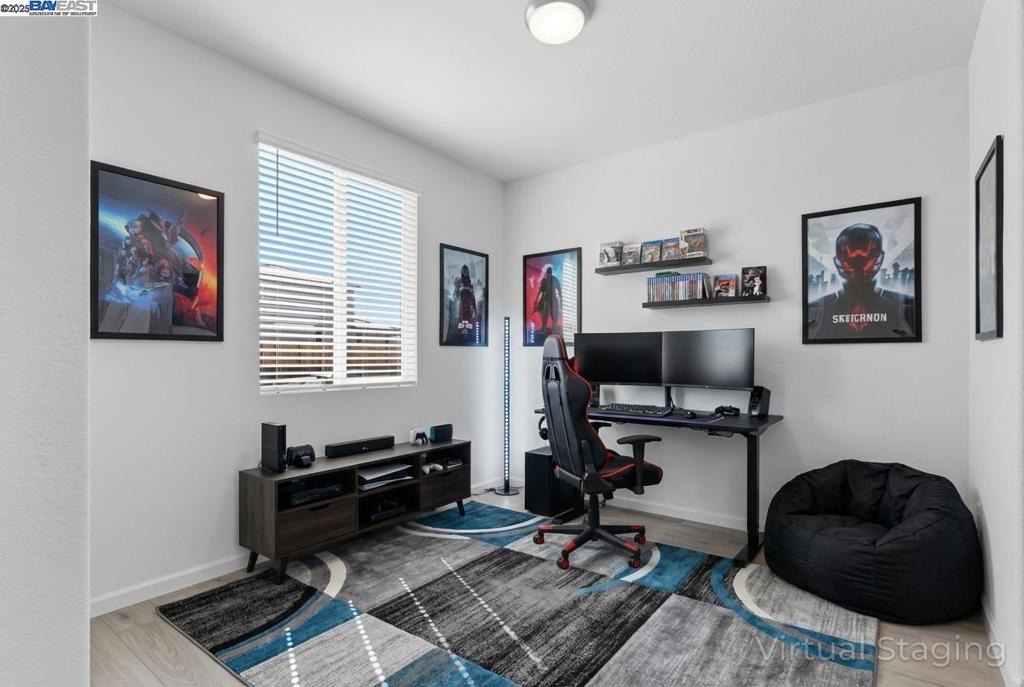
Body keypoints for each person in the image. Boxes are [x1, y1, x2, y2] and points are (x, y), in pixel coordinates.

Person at [806, 223, 916, 339]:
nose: (858, 267)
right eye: (852, 260)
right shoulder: (816, 310)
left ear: (881, 259)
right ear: (837, 262)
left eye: (865, 259)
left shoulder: (905, 306)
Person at [532, 265, 562, 335]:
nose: (549, 274)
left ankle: (553, 330)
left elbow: (559, 290)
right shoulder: (545, 280)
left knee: (554, 318)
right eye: (548, 272)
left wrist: (560, 299)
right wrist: (536, 300)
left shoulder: (554, 279)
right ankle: (544, 330)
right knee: (545, 318)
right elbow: (540, 291)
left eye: (549, 272)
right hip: (546, 301)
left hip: (553, 301)